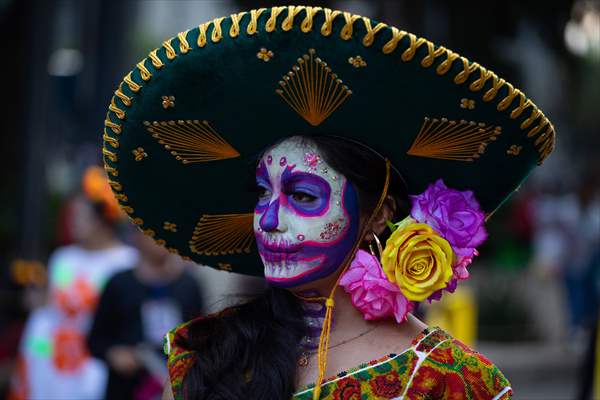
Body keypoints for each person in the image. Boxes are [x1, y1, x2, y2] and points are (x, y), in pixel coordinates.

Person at [101, 5, 556, 399]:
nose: (269, 220)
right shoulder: (207, 356)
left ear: (378, 215)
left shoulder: (447, 381)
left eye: (301, 195)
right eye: (262, 193)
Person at [9, 166, 138, 400]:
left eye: (80, 216)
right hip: (48, 357)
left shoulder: (126, 262)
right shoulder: (63, 257)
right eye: (72, 216)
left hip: (92, 362)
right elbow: (49, 303)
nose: (72, 223)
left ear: (102, 221)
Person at [88, 229, 204, 400]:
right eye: (154, 232)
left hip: (173, 386)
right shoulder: (119, 284)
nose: (161, 240)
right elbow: (95, 339)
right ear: (136, 237)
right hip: (126, 388)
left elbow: (201, 339)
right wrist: (114, 354)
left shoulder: (189, 285)